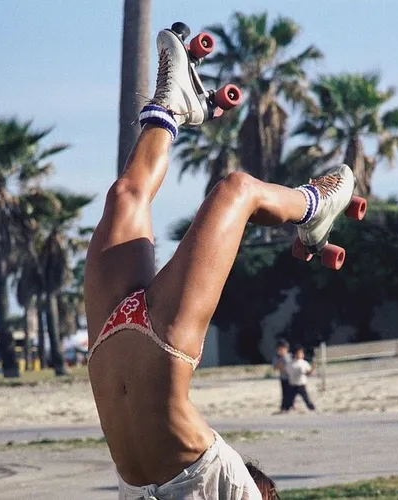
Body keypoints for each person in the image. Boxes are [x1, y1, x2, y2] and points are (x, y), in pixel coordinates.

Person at [85, 22, 357, 499]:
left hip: (115, 340)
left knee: (125, 195)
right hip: (172, 391)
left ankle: (170, 109)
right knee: (237, 191)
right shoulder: (234, 487)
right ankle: (312, 208)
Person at [286, 346, 316, 412]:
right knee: (290, 398)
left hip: (301, 384)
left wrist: (312, 369)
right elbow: (288, 372)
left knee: (306, 398)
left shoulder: (304, 363)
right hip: (293, 384)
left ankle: (311, 408)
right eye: (299, 353)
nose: (301, 355)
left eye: (302, 353)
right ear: (295, 354)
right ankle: (287, 408)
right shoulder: (290, 363)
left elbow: (308, 373)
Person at [272, 339, 292, 413]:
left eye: (283, 349)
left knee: (292, 393)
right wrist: (280, 362)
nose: (281, 351)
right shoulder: (277, 358)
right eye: (279, 349)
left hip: (292, 378)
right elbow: (275, 368)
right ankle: (284, 407)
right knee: (285, 393)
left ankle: (290, 405)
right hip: (283, 378)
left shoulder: (290, 356)